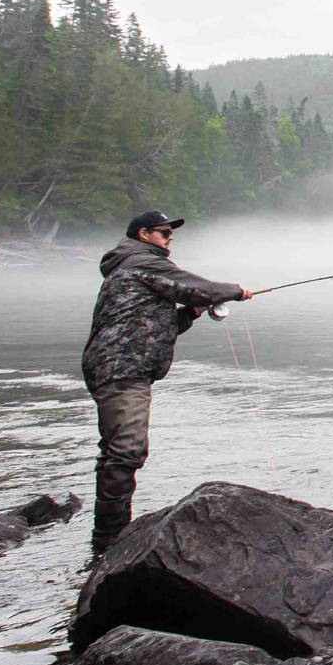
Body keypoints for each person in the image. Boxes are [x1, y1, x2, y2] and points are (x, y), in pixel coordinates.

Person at [83, 210, 251, 555]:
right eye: (164, 232)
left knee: (117, 452)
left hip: (118, 366)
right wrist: (235, 291)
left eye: (170, 232)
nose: (170, 237)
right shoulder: (141, 262)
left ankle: (107, 539)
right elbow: (193, 286)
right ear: (144, 234)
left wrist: (190, 313)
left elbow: (154, 325)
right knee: (126, 451)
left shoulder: (131, 266)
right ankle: (109, 543)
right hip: (122, 368)